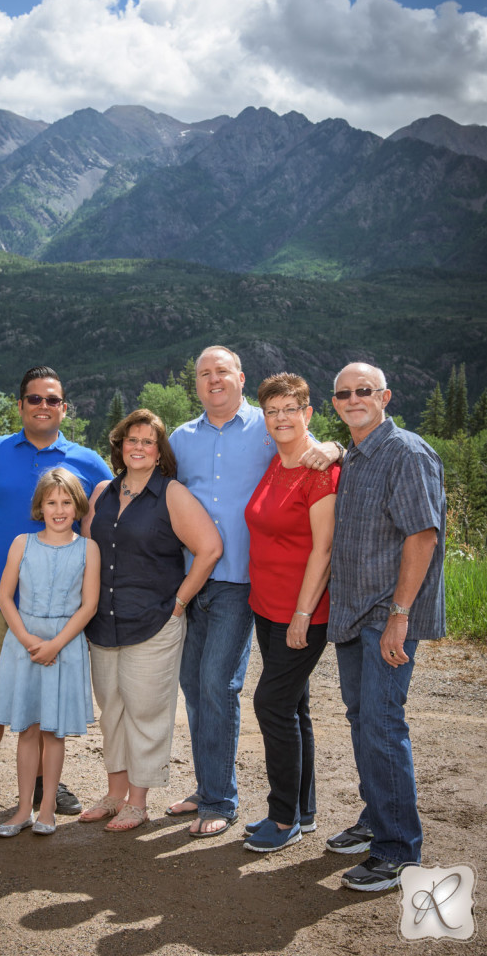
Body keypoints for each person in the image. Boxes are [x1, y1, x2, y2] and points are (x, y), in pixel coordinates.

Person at [166, 346, 341, 838]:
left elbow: (306, 445)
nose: (213, 380)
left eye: (222, 371)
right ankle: (213, 786)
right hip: (197, 581)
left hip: (244, 586)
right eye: (204, 373)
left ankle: (226, 800)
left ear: (241, 379)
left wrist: (336, 448)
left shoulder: (266, 431)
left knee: (222, 687)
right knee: (197, 689)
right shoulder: (181, 439)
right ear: (195, 382)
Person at [0, 365, 111, 826]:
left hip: (59, 605)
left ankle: (46, 783)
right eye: (34, 399)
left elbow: (120, 500)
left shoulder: (87, 460)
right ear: (20, 404)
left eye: (52, 399)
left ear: (64, 407)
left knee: (48, 698)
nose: (44, 406)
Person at [326, 362, 446, 892]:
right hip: (354, 611)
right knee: (361, 719)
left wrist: (399, 616)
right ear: (335, 402)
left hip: (386, 616)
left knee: (381, 723)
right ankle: (377, 817)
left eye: (364, 391)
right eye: (344, 393)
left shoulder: (407, 452)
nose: (354, 399)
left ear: (385, 396)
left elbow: (422, 536)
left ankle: (398, 850)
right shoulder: (355, 454)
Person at [79, 409, 222, 832]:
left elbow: (210, 548)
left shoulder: (171, 493)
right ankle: (114, 793)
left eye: (147, 441)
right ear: (120, 446)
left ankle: (138, 802)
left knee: (145, 711)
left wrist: (178, 603)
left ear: (159, 452)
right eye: (131, 440)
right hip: (104, 622)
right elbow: (88, 550)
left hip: (154, 621)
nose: (138, 447)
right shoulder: (103, 491)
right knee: (111, 712)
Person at [242, 373, 340, 853]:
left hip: (303, 611)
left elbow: (323, 550)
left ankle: (282, 821)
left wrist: (304, 614)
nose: (281, 417)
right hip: (267, 607)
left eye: (290, 408)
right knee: (295, 707)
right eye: (272, 410)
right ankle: (304, 810)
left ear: (308, 413)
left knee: (272, 705)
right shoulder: (276, 463)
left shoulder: (319, 470)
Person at [0, 468, 101, 836]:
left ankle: (48, 808)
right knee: (27, 729)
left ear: (78, 506)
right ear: (40, 505)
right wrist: (25, 638)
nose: (59, 509)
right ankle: (22, 809)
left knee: (53, 732)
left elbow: (88, 606)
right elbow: (5, 596)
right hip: (24, 643)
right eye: (51, 502)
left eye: (66, 502)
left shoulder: (89, 549)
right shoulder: (23, 543)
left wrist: (55, 644)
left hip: (64, 645)